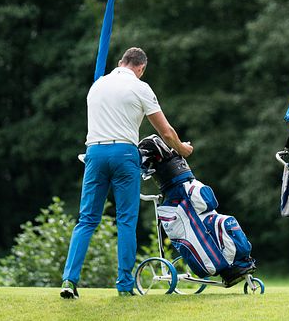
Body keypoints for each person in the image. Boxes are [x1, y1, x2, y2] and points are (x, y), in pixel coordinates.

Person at [60, 47, 193, 299]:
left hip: (94, 153)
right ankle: (124, 284)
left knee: (87, 220)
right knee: (126, 221)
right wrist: (182, 149)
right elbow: (165, 132)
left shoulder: (97, 85)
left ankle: (69, 280)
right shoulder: (141, 88)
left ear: (121, 62)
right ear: (141, 68)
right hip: (124, 153)